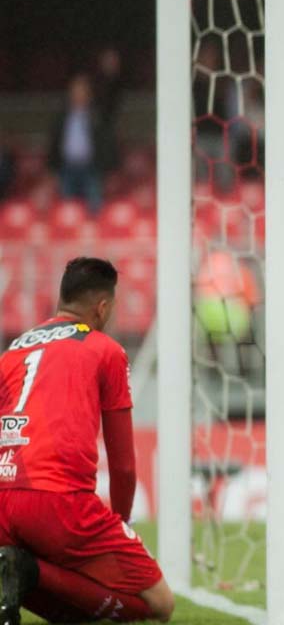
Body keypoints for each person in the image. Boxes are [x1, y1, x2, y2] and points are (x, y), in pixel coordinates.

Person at [0, 258, 174, 624]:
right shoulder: (105, 349)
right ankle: (29, 571)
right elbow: (124, 465)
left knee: (78, 608)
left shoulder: (13, 350)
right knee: (159, 606)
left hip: (3, 499)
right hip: (59, 503)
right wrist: (121, 523)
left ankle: (16, 573)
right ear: (103, 306)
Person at [47, 75, 117, 214]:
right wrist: (52, 170)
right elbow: (54, 144)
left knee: (95, 207)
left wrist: (108, 170)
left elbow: (106, 144)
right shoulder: (62, 117)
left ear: (88, 95)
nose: (77, 95)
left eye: (81, 92)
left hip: (91, 168)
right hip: (67, 169)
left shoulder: (97, 117)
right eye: (74, 92)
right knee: (68, 210)